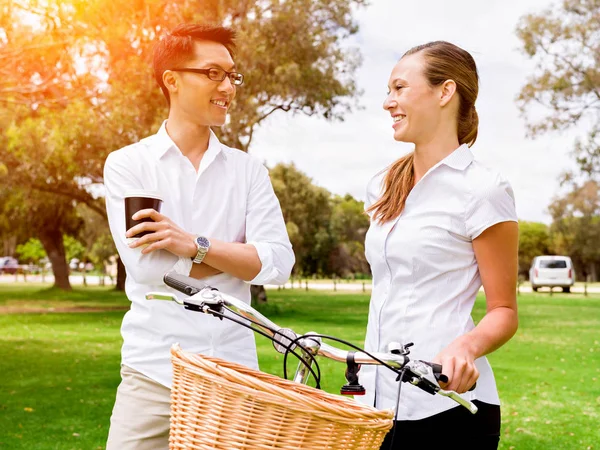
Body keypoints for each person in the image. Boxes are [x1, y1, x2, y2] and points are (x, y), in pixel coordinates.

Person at [103, 23, 294, 449]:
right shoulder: (128, 165)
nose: (228, 85)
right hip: (152, 374)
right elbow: (147, 267)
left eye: (232, 75)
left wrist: (193, 244)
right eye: (213, 73)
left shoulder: (248, 172)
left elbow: (279, 263)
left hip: (234, 377)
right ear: (172, 80)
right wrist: (240, 260)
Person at [356, 41, 519, 449]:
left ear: (445, 92)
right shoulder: (383, 185)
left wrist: (467, 346)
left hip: (447, 409)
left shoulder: (483, 189)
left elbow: (503, 310)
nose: (388, 102)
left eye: (399, 88)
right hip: (376, 406)